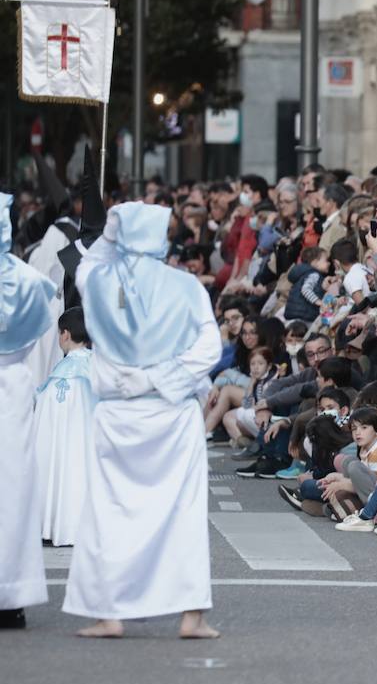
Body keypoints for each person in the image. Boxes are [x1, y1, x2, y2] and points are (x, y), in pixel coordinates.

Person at [65, 202, 222, 639]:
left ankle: (107, 611)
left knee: (107, 512)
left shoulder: (97, 282)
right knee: (185, 514)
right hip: (171, 410)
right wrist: (163, 378)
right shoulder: (186, 286)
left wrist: (111, 230)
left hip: (117, 411)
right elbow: (208, 348)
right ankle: (192, 615)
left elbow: (89, 260)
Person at [0, 193, 60, 629]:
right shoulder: (30, 281)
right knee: (13, 491)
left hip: (13, 383)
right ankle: (12, 593)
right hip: (14, 384)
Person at [34, 308, 95, 548]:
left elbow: (43, 429)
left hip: (59, 446)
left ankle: (52, 522)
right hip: (86, 444)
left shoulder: (58, 377)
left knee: (57, 463)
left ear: (65, 334)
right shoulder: (98, 369)